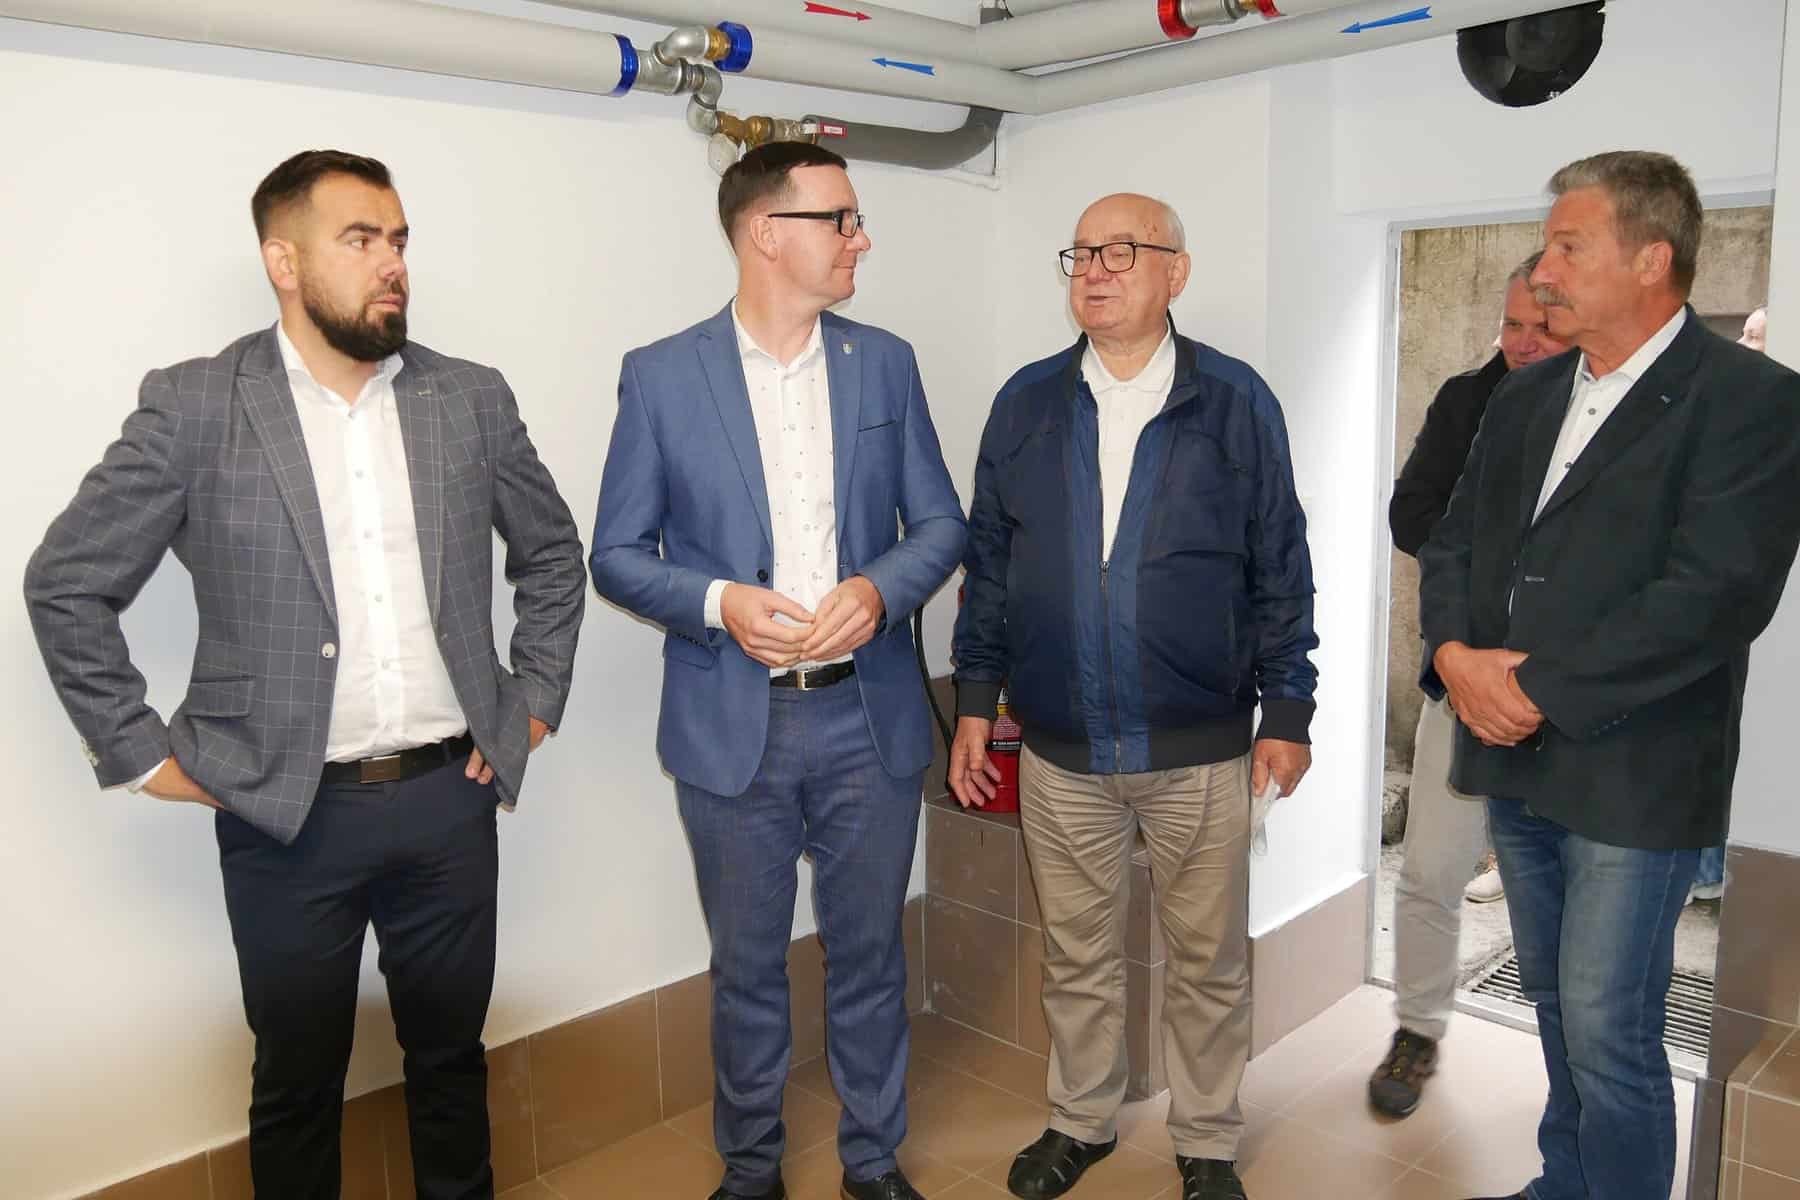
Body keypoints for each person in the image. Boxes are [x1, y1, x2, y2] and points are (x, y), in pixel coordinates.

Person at [23, 149, 587, 1199]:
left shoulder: (468, 397)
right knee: (296, 1085)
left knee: (451, 1064)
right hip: (285, 817)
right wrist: (142, 755)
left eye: (399, 239)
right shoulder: (197, 405)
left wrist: (533, 704)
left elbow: (552, 555)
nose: (392, 263)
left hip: (449, 801)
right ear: (282, 262)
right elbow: (66, 584)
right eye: (360, 239)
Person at [1419, 150, 1800, 1200]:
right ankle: (1566, 1180)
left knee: (1608, 1025)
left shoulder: (1752, 399)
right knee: (1552, 1000)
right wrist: (1453, 657)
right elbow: (1453, 540)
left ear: (1650, 259)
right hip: (1513, 758)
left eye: (1568, 246)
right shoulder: (1527, 395)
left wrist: (1531, 689)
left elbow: (1716, 593)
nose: (1543, 269)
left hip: (1638, 771)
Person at [589, 141, 966, 1200]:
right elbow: (616, 553)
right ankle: (751, 1169)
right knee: (747, 967)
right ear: (765, 232)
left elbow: (942, 523)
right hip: (731, 722)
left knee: (870, 958)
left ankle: (872, 1163)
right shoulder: (662, 375)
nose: (860, 239)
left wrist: (880, 589)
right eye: (839, 219)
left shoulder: (884, 363)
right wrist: (720, 602)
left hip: (868, 720)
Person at [949, 193, 1318, 1200]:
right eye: (1081, 253)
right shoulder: (1027, 403)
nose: (1095, 270)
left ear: (1175, 272)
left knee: (1208, 962)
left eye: (1121, 251)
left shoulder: (1234, 401)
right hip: (1061, 750)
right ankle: (1082, 1120)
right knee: (1077, 959)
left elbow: (1281, 567)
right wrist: (976, 698)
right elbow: (991, 565)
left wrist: (1287, 712)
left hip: (1200, 749)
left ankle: (1207, 1141)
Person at [1370, 253, 1569, 1118]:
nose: (1522, 343)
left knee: (1559, 892)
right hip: (1460, 681)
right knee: (1431, 870)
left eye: (1541, 328)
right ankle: (1417, 1028)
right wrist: (1489, 560)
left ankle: (1571, 1060)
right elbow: (1411, 513)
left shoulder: (1608, 414)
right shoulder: (1466, 399)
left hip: (1566, 700)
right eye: (1511, 325)